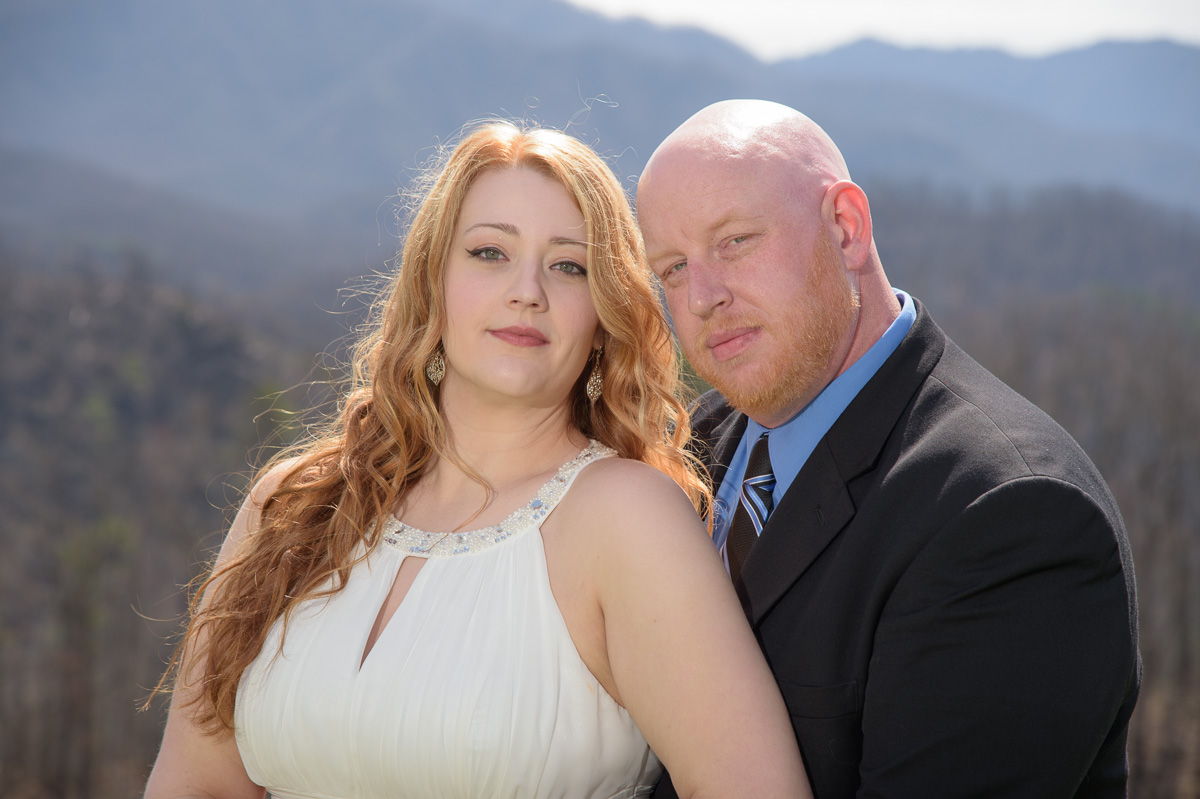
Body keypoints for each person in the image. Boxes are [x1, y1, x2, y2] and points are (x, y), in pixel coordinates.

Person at [144, 121, 811, 799]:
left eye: (569, 265)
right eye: (490, 253)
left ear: (605, 315)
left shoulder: (627, 516)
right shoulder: (290, 505)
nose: (528, 290)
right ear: (432, 281)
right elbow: (196, 782)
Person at [636, 99, 1140, 797]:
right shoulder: (687, 454)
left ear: (845, 228)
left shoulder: (1010, 515)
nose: (702, 297)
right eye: (672, 268)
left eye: (735, 242)